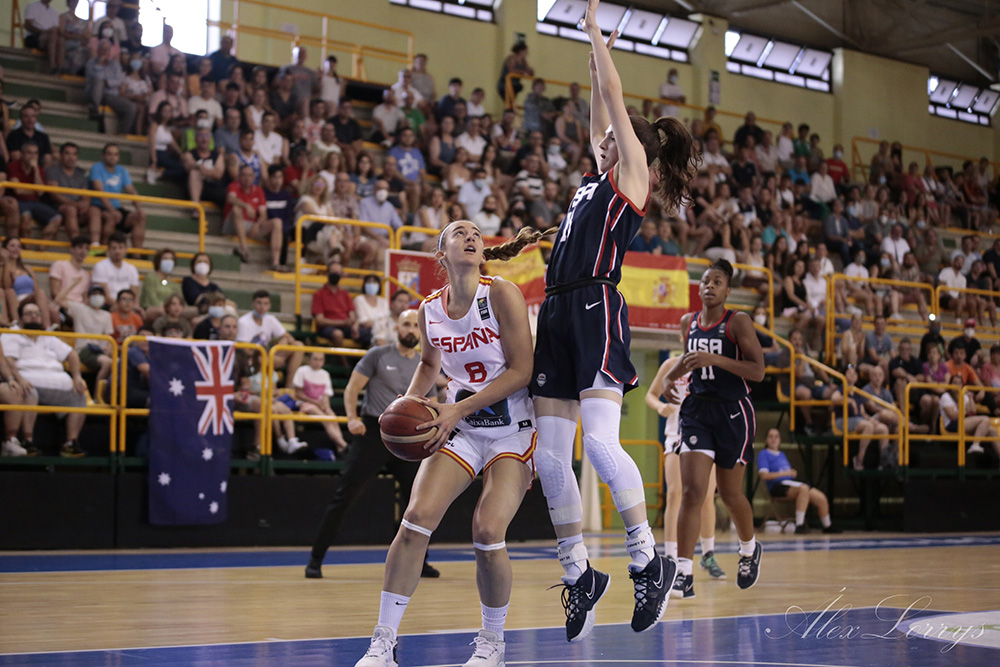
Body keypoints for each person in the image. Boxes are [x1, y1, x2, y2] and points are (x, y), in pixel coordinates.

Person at [529, 7, 694, 642]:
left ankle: (647, 560)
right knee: (550, 457)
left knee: (598, 445)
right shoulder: (595, 176)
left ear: (634, 149)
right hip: (556, 310)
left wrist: (598, 34)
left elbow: (616, 101)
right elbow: (603, 100)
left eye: (612, 136)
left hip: (596, 307)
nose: (600, 137)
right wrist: (592, 57)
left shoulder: (632, 178)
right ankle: (578, 574)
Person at [353, 220, 537, 667]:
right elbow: (429, 364)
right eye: (459, 232)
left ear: (483, 251)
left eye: (476, 233)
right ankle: (383, 643)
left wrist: (457, 408)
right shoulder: (429, 309)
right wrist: (408, 403)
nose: (471, 236)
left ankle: (492, 643)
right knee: (415, 520)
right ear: (441, 255)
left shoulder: (502, 294)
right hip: (462, 428)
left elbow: (522, 371)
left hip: (511, 428)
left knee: (487, 530)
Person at [306, 309, 438, 578]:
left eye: (416, 325)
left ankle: (418, 562)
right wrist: (352, 419)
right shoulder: (377, 355)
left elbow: (432, 402)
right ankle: (315, 559)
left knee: (418, 503)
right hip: (373, 433)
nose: (411, 330)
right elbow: (352, 388)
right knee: (345, 496)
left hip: (408, 440)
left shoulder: (424, 363)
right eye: (406, 324)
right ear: (396, 328)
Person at [664, 259, 765, 598]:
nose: (709, 286)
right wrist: (670, 377)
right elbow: (689, 358)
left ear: (727, 290)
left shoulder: (738, 322)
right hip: (697, 411)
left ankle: (749, 549)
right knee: (692, 492)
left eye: (717, 281)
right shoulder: (688, 322)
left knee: (730, 494)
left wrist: (717, 360)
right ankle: (684, 573)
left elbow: (758, 371)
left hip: (733, 412)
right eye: (705, 281)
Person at [645, 355, 726, 599]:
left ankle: (708, 554)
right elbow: (651, 395)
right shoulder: (671, 365)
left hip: (706, 437)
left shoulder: (711, 364)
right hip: (676, 435)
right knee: (675, 494)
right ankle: (671, 555)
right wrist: (660, 407)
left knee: (707, 497)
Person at [2, 301, 89, 458]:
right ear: (20, 318)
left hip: (58, 385)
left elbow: (72, 354)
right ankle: (27, 441)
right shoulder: (11, 335)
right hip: (30, 383)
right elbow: (8, 360)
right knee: (29, 391)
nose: (34, 317)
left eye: (37, 314)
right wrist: (19, 379)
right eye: (29, 314)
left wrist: (77, 376)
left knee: (79, 396)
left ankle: (71, 443)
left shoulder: (47, 336)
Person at [757, 428, 839, 534]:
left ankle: (827, 525)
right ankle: (800, 525)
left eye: (776, 436)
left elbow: (787, 472)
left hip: (791, 483)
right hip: (777, 486)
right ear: (766, 439)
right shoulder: (764, 454)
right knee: (803, 489)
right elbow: (764, 475)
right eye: (771, 436)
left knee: (820, 497)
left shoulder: (782, 455)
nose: (773, 439)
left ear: (780, 439)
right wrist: (784, 473)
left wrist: (791, 473)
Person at [236, 290, 302, 386]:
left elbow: (288, 336)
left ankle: (289, 387)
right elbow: (245, 350)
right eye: (259, 303)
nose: (262, 307)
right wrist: (269, 358)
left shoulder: (270, 319)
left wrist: (284, 342)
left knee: (298, 345)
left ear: (269, 305)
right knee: (262, 358)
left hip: (269, 355)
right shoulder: (243, 322)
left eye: (265, 304)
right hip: (253, 358)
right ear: (253, 304)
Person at [290, 352, 349, 454]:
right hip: (305, 404)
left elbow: (326, 395)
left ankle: (340, 447)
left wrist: (326, 407)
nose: (318, 362)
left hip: (320, 404)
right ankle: (343, 444)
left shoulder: (325, 374)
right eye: (315, 359)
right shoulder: (302, 371)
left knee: (333, 418)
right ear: (309, 360)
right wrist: (316, 403)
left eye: (320, 359)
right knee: (325, 419)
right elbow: (298, 394)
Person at [89, 143, 146, 247]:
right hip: (100, 206)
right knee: (111, 217)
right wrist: (112, 211)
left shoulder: (122, 170)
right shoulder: (97, 168)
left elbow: (131, 191)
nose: (112, 157)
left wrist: (139, 209)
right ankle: (103, 251)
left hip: (117, 208)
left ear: (118, 157)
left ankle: (137, 253)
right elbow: (100, 191)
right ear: (104, 155)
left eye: (115, 154)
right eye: (109, 154)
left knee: (140, 217)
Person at [66, 284, 114, 382]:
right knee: (107, 363)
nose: (98, 296)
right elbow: (59, 300)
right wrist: (73, 284)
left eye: (100, 294)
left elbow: (108, 336)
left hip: (100, 350)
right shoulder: (79, 309)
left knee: (118, 362)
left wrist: (109, 348)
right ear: (88, 297)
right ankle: (97, 391)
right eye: (94, 294)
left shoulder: (106, 315)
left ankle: (110, 390)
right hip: (85, 349)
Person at [44, 142, 90, 239]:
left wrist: (85, 203)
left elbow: (86, 193)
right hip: (57, 205)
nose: (71, 157)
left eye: (74, 154)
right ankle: (76, 242)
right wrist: (74, 204)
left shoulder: (81, 172)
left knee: (94, 212)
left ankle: (96, 245)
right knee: (70, 209)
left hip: (77, 206)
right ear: (61, 155)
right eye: (67, 153)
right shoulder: (52, 170)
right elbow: (54, 194)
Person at [91, 231, 139, 302]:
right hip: (107, 305)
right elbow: (105, 296)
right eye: (114, 248)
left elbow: (134, 295)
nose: (117, 251)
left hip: (127, 305)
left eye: (120, 248)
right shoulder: (100, 266)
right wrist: (121, 306)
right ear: (108, 249)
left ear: (126, 249)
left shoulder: (131, 268)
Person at [49, 234, 91, 306]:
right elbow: (55, 293)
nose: (83, 251)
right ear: (71, 249)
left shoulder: (86, 275)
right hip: (62, 304)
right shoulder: (59, 265)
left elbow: (84, 298)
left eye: (87, 248)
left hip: (79, 306)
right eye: (80, 247)